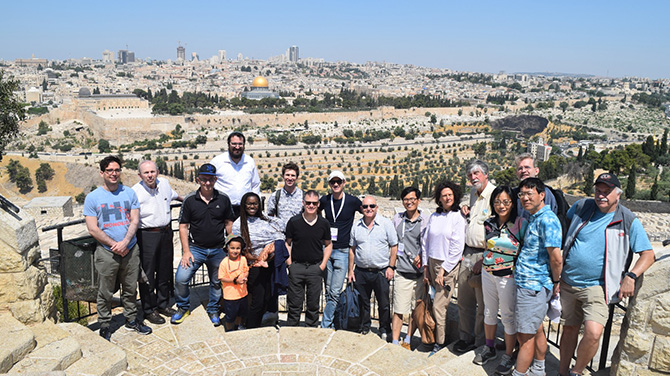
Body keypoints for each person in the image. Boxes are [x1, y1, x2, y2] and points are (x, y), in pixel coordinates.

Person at [558, 173, 655, 376]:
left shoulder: (627, 220)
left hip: (597, 288)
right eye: (598, 191)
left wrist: (631, 276)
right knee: (569, 329)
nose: (601, 196)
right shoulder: (582, 207)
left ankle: (576, 372)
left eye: (606, 192)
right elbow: (565, 224)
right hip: (567, 282)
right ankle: (562, 371)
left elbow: (648, 254)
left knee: (593, 333)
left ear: (618, 195)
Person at [84, 155, 151, 340]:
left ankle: (131, 319)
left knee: (130, 288)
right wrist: (114, 245)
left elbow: (135, 220)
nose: (114, 174)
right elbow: (92, 228)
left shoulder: (129, 193)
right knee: (105, 291)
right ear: (102, 173)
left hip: (130, 249)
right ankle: (105, 324)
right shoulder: (93, 197)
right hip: (107, 252)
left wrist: (125, 242)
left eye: (116, 170)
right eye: (109, 170)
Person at [172, 163, 235, 326]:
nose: (207, 183)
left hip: (218, 249)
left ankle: (213, 309)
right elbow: (183, 226)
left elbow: (229, 224)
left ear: (215, 179)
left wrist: (232, 248)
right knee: (181, 279)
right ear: (198, 179)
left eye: (211, 179)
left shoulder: (223, 199)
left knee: (216, 281)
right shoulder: (190, 200)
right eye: (204, 179)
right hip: (195, 249)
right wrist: (186, 251)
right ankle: (183, 307)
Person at [513, 178, 563, 376]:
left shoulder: (547, 220)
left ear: (542, 195)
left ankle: (520, 373)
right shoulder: (535, 217)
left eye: (529, 194)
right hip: (529, 284)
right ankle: (539, 369)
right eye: (522, 195)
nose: (525, 198)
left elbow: (556, 258)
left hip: (533, 286)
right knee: (536, 330)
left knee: (524, 337)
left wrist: (557, 282)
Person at [475, 186, 526, 374]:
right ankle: (489, 347)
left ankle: (508, 354)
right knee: (489, 311)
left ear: (513, 203)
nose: (501, 205)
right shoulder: (488, 223)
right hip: (488, 273)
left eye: (506, 201)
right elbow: (487, 247)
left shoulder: (520, 224)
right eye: (497, 201)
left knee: (507, 316)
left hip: (508, 276)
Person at [132, 160, 183, 325]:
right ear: (140, 175)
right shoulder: (135, 192)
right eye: (146, 173)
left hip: (166, 233)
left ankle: (163, 305)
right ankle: (149, 309)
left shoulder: (165, 184)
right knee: (147, 275)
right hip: (146, 235)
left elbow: (177, 197)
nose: (150, 175)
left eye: (152, 172)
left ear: (158, 172)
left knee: (164, 271)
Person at [455, 159, 496, 354]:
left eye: (477, 173)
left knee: (483, 304)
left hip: (483, 255)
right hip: (468, 253)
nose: (473, 177)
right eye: (470, 175)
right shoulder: (473, 193)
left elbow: (498, 229)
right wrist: (464, 206)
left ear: (486, 174)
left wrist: (485, 257)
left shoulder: (494, 195)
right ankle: (465, 337)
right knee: (464, 299)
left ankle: (481, 341)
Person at [421, 181, 467, 356]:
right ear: (438, 198)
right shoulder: (434, 217)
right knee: (433, 302)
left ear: (454, 196)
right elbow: (426, 243)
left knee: (439, 305)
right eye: (443, 195)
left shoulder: (458, 217)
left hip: (447, 266)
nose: (447, 198)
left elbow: (457, 247)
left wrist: (443, 270)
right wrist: (426, 266)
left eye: (450, 194)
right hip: (432, 262)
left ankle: (439, 343)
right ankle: (432, 336)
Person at [232, 192, 287, 328]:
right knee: (257, 301)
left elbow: (281, 233)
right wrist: (257, 258)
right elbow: (240, 249)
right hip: (254, 266)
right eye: (249, 203)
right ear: (244, 205)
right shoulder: (238, 224)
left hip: (269, 264)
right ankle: (251, 327)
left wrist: (267, 250)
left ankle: (263, 325)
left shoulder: (267, 220)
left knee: (269, 297)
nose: (252, 206)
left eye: (255, 203)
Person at [348, 196, 398, 339]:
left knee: (384, 303)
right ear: (361, 209)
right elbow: (352, 249)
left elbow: (394, 246)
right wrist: (350, 270)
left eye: (371, 206)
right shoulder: (356, 226)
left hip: (380, 271)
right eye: (365, 206)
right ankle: (364, 326)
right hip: (361, 271)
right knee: (363, 302)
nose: (368, 209)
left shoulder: (385, 224)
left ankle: (384, 329)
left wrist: (391, 267)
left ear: (376, 208)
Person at [318, 170, 363, 329]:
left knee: (335, 292)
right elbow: (314, 213)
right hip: (327, 249)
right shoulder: (325, 200)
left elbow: (367, 212)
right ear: (329, 184)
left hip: (343, 251)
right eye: (332, 182)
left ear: (344, 183)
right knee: (329, 291)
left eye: (338, 182)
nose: (335, 185)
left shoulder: (352, 201)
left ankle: (326, 324)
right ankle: (335, 321)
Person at [285, 190, 332, 327]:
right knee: (294, 304)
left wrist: (322, 265)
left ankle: (311, 334)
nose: (311, 205)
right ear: (303, 203)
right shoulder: (294, 222)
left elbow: (328, 245)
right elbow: (287, 243)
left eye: (314, 203)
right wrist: (290, 264)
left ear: (318, 204)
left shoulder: (324, 223)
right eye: (308, 203)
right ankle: (291, 332)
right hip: (297, 267)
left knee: (313, 304)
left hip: (314, 268)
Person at [391, 187, 429, 349]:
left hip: (419, 274)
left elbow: (428, 244)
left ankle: (408, 339)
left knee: (415, 309)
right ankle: (394, 341)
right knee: (399, 309)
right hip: (402, 271)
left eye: (413, 199)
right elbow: (393, 243)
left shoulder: (425, 221)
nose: (409, 202)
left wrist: (421, 255)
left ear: (419, 201)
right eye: (406, 199)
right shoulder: (397, 219)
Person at [210, 131, 260, 218]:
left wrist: (256, 204)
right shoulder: (217, 162)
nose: (237, 147)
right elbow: (208, 182)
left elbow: (255, 184)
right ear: (228, 144)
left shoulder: (250, 161)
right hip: (222, 208)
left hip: (244, 209)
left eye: (240, 144)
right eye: (234, 144)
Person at [218, 233, 250, 332]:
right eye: (232, 248)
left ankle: (238, 325)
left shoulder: (243, 259)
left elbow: (246, 270)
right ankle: (229, 329)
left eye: (237, 248)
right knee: (230, 315)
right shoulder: (224, 262)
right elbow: (221, 277)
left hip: (242, 294)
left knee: (240, 313)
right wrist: (235, 280)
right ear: (227, 248)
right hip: (230, 296)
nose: (235, 251)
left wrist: (245, 276)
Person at [514, 153, 557, 218]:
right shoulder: (514, 193)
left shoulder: (545, 192)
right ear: (516, 173)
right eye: (520, 168)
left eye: (527, 167)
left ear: (536, 171)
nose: (523, 171)